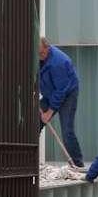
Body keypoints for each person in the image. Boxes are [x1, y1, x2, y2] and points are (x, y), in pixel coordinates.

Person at [39, 36, 84, 168]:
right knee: (34, 123)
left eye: (41, 53)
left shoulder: (59, 62)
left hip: (67, 93)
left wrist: (49, 112)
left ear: (48, 48)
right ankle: (27, 159)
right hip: (49, 91)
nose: (39, 56)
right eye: (37, 53)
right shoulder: (37, 56)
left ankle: (77, 164)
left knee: (67, 130)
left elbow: (60, 91)